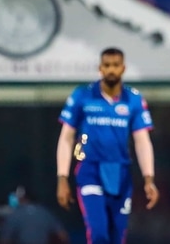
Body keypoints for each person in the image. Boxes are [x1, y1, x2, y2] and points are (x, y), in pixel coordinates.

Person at [56, 47, 159, 244]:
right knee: (99, 234)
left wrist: (149, 179)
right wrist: (62, 177)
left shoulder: (133, 99)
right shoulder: (82, 96)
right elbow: (66, 138)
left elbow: (142, 141)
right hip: (90, 170)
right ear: (100, 68)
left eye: (115, 65)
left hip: (120, 172)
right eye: (107, 65)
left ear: (123, 68)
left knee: (117, 236)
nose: (111, 70)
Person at [0, 186, 70, 244]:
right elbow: (63, 235)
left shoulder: (15, 215)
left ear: (21, 199)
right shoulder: (44, 212)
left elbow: (5, 240)